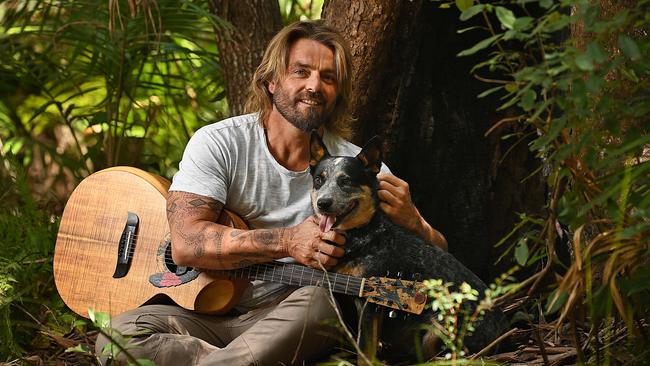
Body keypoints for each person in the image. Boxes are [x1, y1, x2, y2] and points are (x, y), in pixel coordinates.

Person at [95, 20, 447, 365]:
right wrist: (288, 241)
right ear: (270, 81)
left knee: (323, 301)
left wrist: (416, 223)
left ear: (339, 92)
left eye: (328, 77)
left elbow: (439, 262)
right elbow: (186, 244)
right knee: (115, 338)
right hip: (198, 314)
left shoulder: (356, 170)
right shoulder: (220, 143)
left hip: (291, 322)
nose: (314, 86)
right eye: (301, 72)